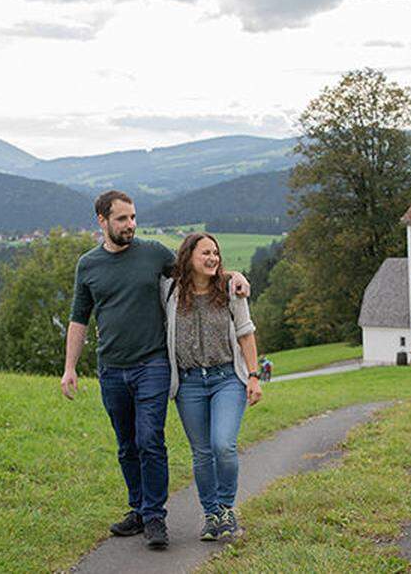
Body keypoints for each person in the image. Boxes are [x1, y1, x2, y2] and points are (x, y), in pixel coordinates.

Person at [61, 190, 248, 551]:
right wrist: (70, 367)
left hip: (153, 363)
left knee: (150, 439)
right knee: (126, 445)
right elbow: (78, 317)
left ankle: (155, 516)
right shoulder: (88, 265)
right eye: (121, 219)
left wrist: (234, 275)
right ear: (102, 221)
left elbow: (199, 270)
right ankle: (138, 509)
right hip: (111, 367)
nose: (130, 225)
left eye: (132, 218)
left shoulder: (153, 253)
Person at [162, 232, 262, 541]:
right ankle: (211, 515)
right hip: (189, 382)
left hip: (227, 379)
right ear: (189, 256)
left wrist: (254, 376)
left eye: (216, 254)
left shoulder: (231, 290)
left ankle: (227, 508)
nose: (212, 258)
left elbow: (245, 333)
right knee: (202, 453)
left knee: (223, 445)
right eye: (205, 253)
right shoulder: (170, 291)